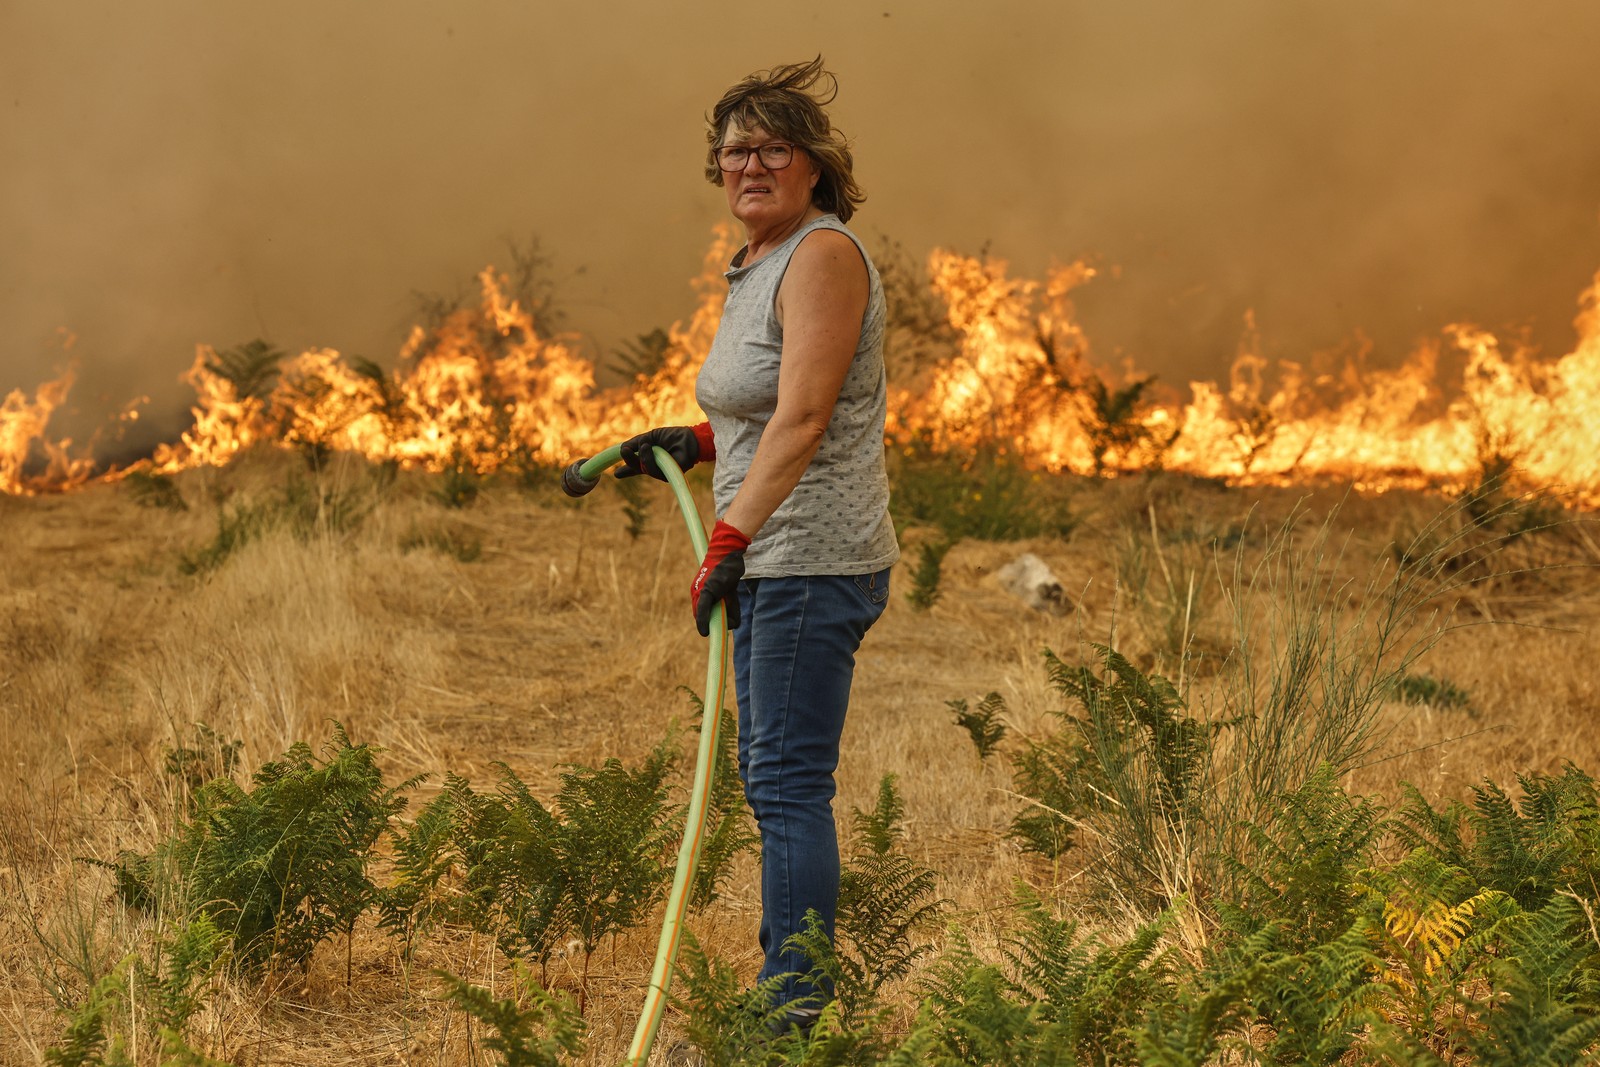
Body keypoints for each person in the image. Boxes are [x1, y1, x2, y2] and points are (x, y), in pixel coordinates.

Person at [616, 57, 898, 1025]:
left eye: (772, 148)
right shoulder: (757, 262)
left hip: (809, 558)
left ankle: (792, 1018)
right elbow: (768, 401)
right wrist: (694, 443)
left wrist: (728, 533)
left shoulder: (821, 253)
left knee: (783, 785)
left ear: (814, 164)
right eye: (734, 150)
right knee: (774, 779)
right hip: (774, 553)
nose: (749, 165)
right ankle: (791, 998)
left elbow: (810, 411)